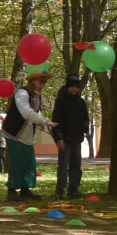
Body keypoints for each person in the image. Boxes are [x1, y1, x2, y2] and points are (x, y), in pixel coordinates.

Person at [1, 70, 57, 201]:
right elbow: (26, 112)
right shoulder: (22, 93)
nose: (42, 85)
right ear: (32, 81)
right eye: (40, 82)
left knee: (28, 161)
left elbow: (35, 113)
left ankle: (25, 188)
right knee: (17, 161)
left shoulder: (37, 95)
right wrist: (43, 121)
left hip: (27, 133)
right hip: (14, 132)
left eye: (44, 82)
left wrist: (41, 121)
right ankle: (12, 190)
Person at [51, 72, 89, 200]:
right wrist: (59, 138)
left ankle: (73, 189)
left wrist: (84, 130)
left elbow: (85, 119)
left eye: (76, 87)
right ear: (67, 87)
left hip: (77, 139)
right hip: (65, 139)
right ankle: (60, 191)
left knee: (76, 166)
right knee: (63, 166)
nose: (74, 89)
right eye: (71, 86)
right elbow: (56, 121)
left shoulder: (81, 102)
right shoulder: (61, 101)